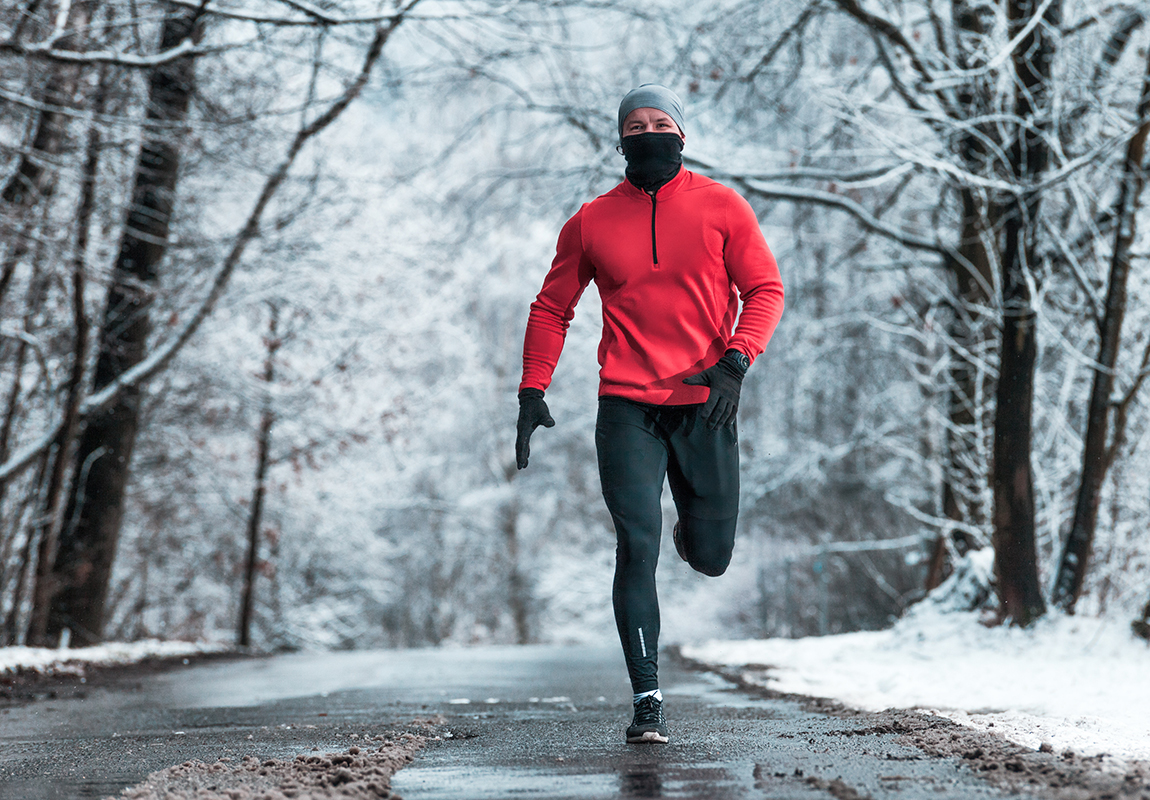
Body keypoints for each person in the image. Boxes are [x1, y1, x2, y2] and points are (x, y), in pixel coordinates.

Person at [514, 84, 784, 744]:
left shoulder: (722, 207)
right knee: (636, 544)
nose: (648, 131)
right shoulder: (592, 221)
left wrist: (736, 360)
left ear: (682, 137)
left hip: (706, 405)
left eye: (660, 123)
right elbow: (552, 308)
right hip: (627, 407)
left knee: (712, 556)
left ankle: (695, 531)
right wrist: (531, 389)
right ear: (621, 141)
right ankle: (647, 699)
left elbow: (765, 289)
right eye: (635, 125)